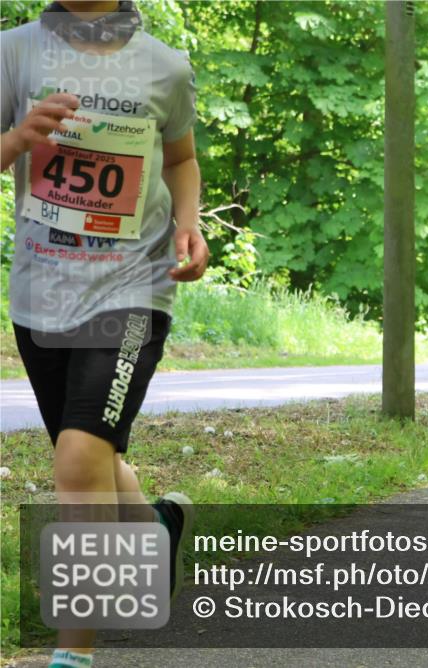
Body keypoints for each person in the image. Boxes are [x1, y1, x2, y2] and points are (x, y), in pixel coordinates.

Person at [2, 2, 208, 665]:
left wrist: (189, 222)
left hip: (134, 288)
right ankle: (154, 531)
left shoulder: (165, 67)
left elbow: (180, 160)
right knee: (89, 452)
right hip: (41, 294)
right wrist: (16, 140)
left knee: (76, 459)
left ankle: (74, 656)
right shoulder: (14, 53)